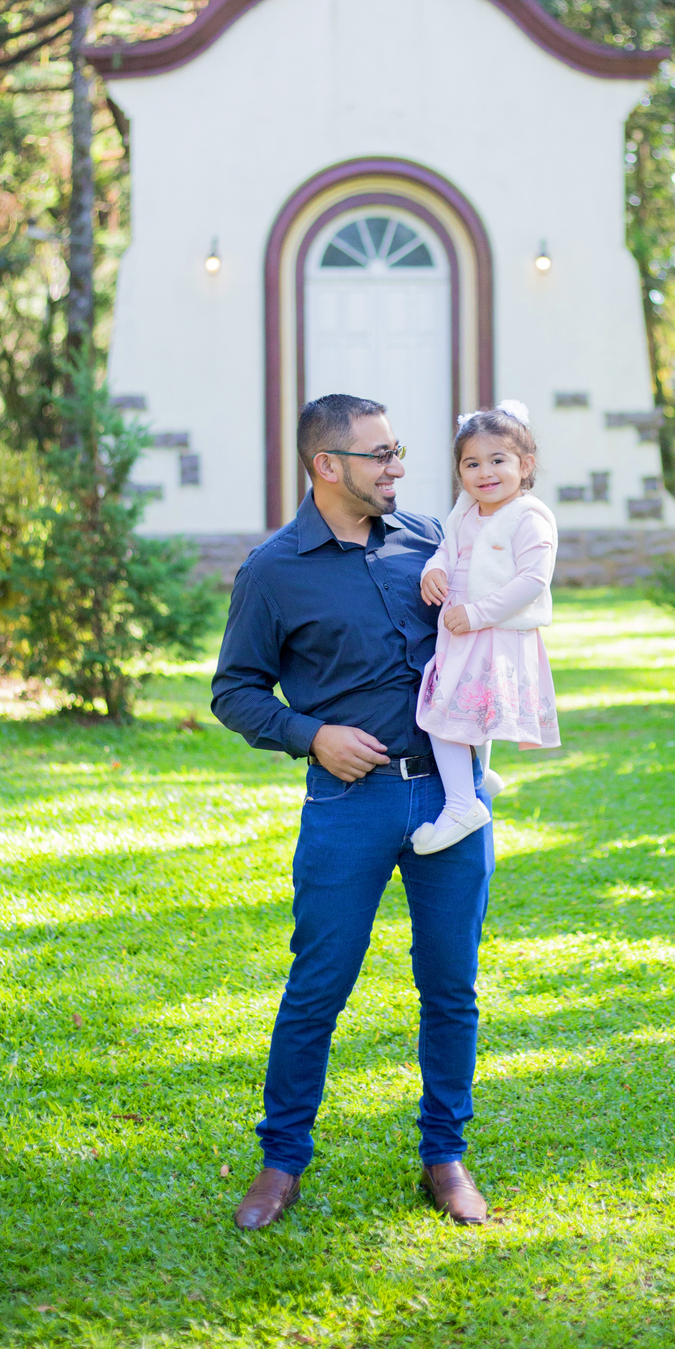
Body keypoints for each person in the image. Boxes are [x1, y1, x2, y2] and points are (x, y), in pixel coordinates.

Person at [211, 393, 495, 1232]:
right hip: (348, 804)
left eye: (398, 450)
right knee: (318, 986)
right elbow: (234, 692)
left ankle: (445, 1158)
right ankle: (281, 1163)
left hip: (453, 798)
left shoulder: (430, 544)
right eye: (380, 455)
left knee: (451, 986)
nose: (398, 468)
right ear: (327, 465)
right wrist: (311, 735)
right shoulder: (272, 570)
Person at [413, 403, 560, 854]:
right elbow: (447, 549)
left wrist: (477, 614)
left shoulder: (528, 517)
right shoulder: (465, 510)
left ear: (525, 465)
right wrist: (431, 571)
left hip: (492, 633)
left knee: (443, 713)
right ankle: (480, 776)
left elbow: (533, 581)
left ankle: (462, 803)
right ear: (459, 472)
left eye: (498, 460)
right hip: (462, 632)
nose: (485, 472)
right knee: (467, 707)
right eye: (472, 463)